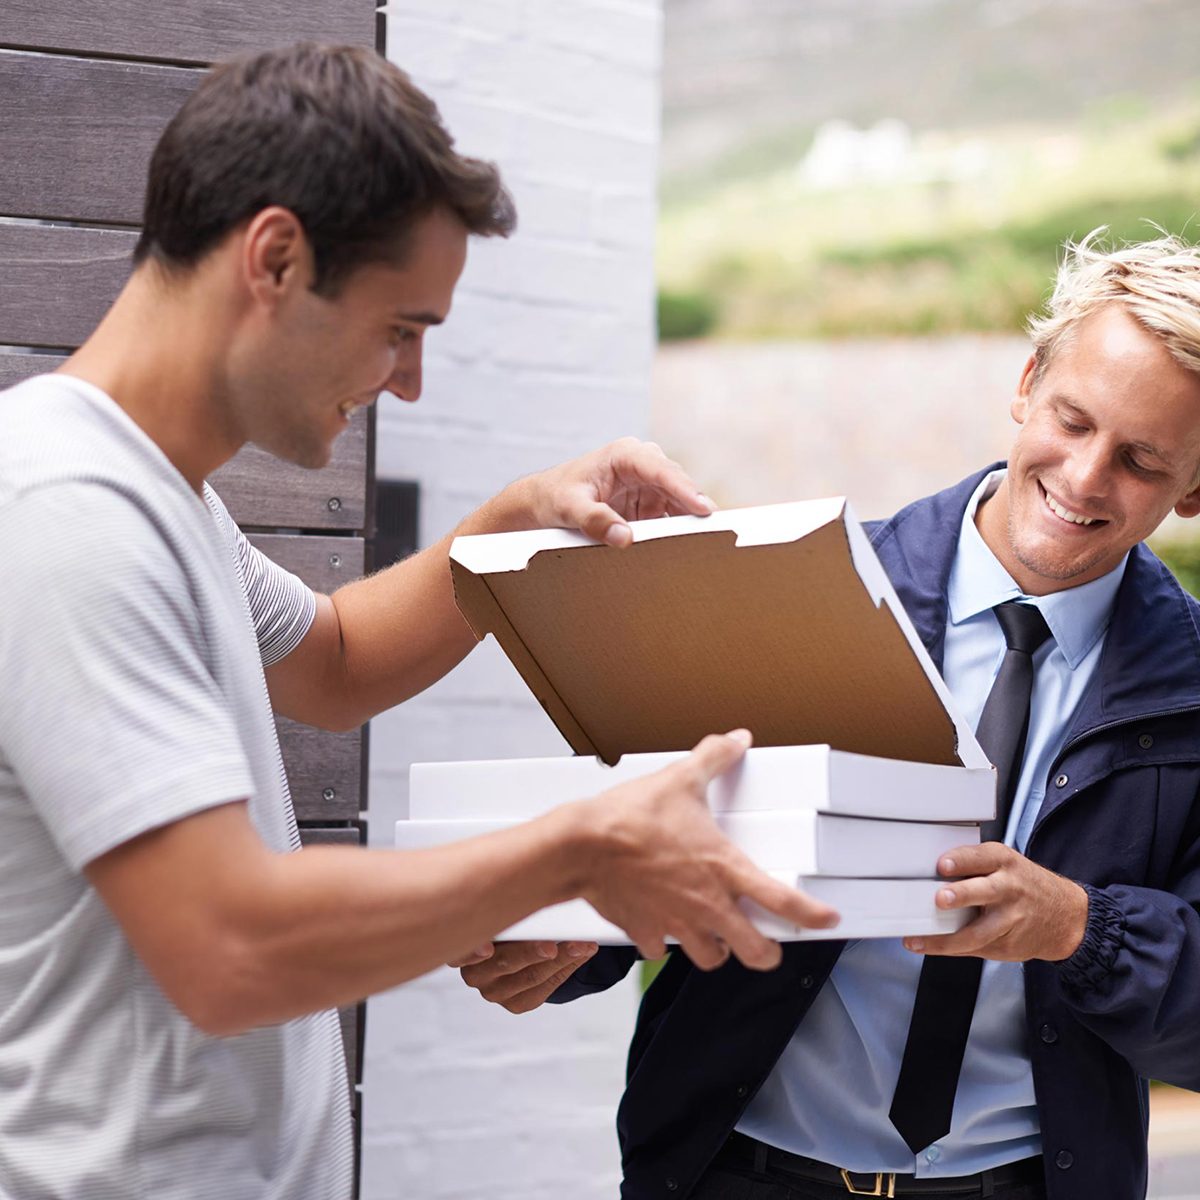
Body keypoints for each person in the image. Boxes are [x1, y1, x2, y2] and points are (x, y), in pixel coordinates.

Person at [0, 43, 838, 1200]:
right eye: (403, 327)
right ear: (276, 259)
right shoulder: (65, 515)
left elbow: (335, 661)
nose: (410, 382)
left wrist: (513, 526)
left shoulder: (160, 498)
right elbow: (227, 946)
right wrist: (584, 847)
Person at [460, 231, 1200, 1200]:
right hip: (737, 1175)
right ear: (1025, 386)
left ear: (1194, 490)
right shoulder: (809, 598)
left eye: (1142, 460)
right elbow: (668, 830)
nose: (1087, 477)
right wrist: (569, 939)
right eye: (1072, 420)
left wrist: (1080, 928)